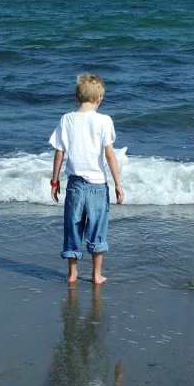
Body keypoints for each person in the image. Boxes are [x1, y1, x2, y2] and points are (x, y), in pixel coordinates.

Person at [49, 73, 124, 285]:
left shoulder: (66, 119)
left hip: (74, 184)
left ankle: (72, 273)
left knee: (72, 227)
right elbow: (110, 155)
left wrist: (55, 181)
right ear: (99, 98)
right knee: (97, 229)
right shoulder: (104, 121)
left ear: (76, 97)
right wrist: (118, 183)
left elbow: (59, 153)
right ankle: (96, 275)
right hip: (98, 185)